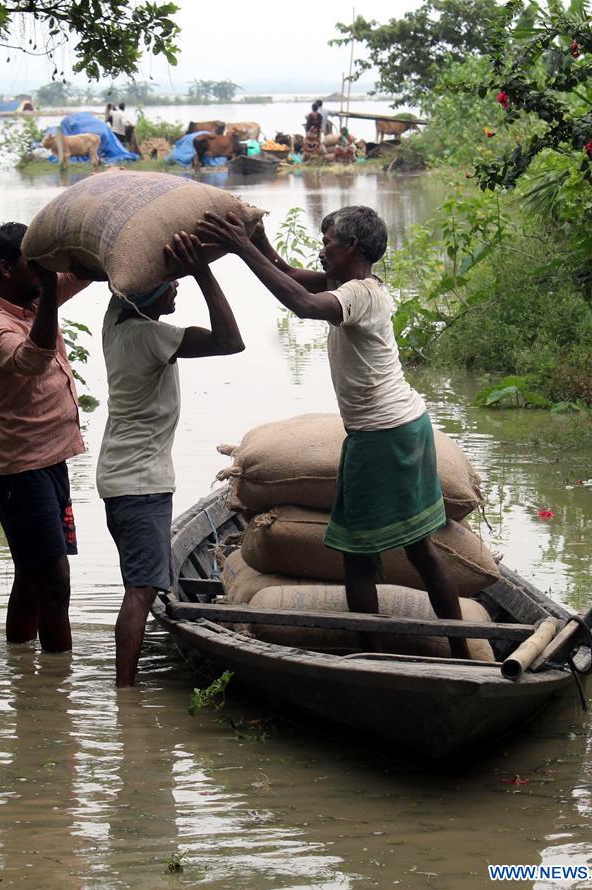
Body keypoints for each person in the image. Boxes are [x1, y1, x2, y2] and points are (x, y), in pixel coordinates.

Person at [195, 207, 471, 659]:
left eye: (328, 244)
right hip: (404, 427)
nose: (322, 251)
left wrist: (242, 249)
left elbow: (302, 306)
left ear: (353, 249)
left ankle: (373, 656)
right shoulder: (350, 286)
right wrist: (258, 241)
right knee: (417, 549)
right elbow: (287, 275)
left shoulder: (359, 294)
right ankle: (456, 649)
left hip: (382, 435)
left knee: (357, 555)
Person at [97, 232, 245, 687]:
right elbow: (230, 340)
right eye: (170, 282)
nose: (176, 286)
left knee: (141, 586)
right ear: (147, 297)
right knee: (140, 592)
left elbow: (119, 279)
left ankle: (127, 688)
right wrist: (201, 269)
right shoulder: (147, 335)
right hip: (140, 483)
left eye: (178, 279)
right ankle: (126, 695)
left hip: (121, 477)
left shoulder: (116, 321)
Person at [0, 222, 101, 653]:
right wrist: (49, 292)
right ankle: (57, 685)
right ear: (6, 268)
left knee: (30, 575)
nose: (44, 270)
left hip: (49, 465)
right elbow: (33, 358)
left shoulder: (34, 297)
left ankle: (20, 666)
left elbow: (86, 271)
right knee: (55, 580)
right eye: (34, 263)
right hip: (20, 472)